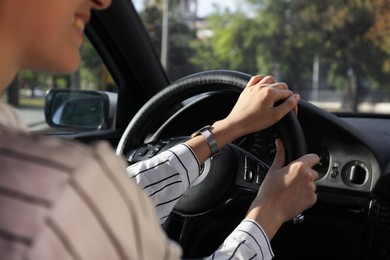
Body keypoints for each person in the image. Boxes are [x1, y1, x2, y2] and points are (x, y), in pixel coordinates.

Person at [0, 0, 319, 259]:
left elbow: (117, 198)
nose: (103, 1)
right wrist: (270, 212)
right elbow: (94, 200)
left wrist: (223, 131)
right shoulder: (63, 189)